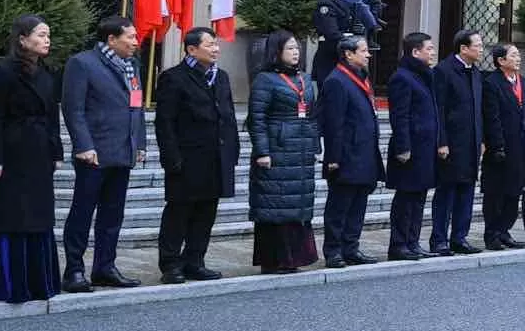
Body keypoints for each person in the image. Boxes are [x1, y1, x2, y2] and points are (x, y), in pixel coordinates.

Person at [58, 14, 145, 291]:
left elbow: (137, 106)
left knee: (112, 215)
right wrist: (83, 145)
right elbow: (73, 109)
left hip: (122, 151)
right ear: (111, 39)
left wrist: (139, 143)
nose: (135, 42)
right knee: (82, 214)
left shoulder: (131, 65)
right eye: (130, 37)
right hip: (93, 153)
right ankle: (74, 270)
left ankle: (105, 267)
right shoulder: (82, 63)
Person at [154, 26, 238, 284]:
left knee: (206, 212)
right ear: (192, 49)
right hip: (187, 158)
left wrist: (232, 152)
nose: (216, 49)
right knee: (179, 213)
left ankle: (195, 260)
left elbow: (229, 116)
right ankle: (170, 264)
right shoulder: (174, 77)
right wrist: (172, 158)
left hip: (216, 157)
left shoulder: (220, 77)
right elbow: (165, 122)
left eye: (216, 44)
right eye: (210, 44)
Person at [0, 16, 62, 303]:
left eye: (48, 35)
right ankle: (12, 283)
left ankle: (39, 282)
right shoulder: (3, 71)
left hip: (39, 152)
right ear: (23, 39)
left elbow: (52, 116)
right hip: (12, 151)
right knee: (14, 213)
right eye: (41, 34)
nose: (47, 40)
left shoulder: (46, 73)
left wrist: (56, 151)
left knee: (39, 213)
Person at [246, 30, 321, 274]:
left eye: (297, 48)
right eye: (289, 48)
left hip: (300, 148)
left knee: (296, 205)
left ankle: (295, 257)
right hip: (277, 148)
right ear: (276, 52)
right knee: (274, 204)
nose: (295, 52)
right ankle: (274, 259)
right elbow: (256, 119)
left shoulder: (305, 80)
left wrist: (314, 145)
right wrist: (262, 151)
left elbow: (312, 114)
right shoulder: (265, 80)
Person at [318, 34, 384, 267]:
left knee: (358, 204)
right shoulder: (337, 80)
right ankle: (334, 250)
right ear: (348, 54)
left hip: (364, 153)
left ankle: (351, 247)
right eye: (364, 50)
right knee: (340, 205)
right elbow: (333, 123)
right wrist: (333, 157)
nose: (368, 54)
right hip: (346, 155)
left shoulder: (361, 78)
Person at [386, 32, 442, 258]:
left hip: (425, 148)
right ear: (415, 52)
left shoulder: (424, 76)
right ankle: (399, 244)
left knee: (418, 197)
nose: (433, 52)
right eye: (429, 48)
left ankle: (413, 241)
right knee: (405, 198)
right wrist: (403, 147)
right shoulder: (402, 77)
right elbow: (399, 116)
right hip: (410, 149)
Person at [431, 29, 485, 256]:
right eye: (478, 45)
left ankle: (459, 237)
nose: (481, 49)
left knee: (467, 190)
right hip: (452, 142)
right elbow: (439, 109)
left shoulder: (475, 72)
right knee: (447, 192)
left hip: (471, 141)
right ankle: (439, 239)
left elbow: (478, 109)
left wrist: (482, 139)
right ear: (463, 48)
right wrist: (441, 141)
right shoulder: (444, 70)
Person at [480, 42, 525, 250]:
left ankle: (505, 230)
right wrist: (497, 146)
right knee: (496, 193)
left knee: (515, 192)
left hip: (522, 147)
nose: (518, 58)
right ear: (501, 61)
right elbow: (492, 118)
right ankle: (492, 233)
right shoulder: (492, 83)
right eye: (513, 55)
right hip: (502, 148)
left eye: (517, 54)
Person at [310, 0, 357, 84]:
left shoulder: (337, 0)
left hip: (338, 55)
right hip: (330, 56)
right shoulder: (325, 4)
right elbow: (332, 33)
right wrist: (352, 41)